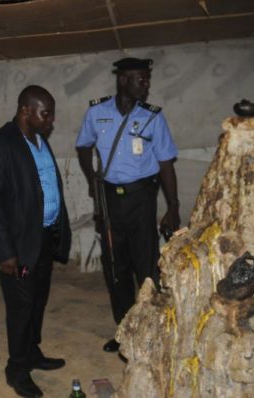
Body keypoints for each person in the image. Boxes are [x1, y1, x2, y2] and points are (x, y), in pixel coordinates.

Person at [75, 57, 181, 355]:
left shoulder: (153, 117)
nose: (146, 85)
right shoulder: (97, 112)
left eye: (147, 79)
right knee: (115, 266)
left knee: (146, 264)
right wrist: (92, 177)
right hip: (109, 199)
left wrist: (172, 205)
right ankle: (124, 330)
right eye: (141, 79)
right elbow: (83, 146)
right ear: (124, 80)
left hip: (141, 199)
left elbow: (165, 164)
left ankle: (153, 329)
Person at [0, 85, 72, 398]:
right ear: (26, 110)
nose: (51, 120)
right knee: (20, 307)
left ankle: (32, 352)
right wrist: (5, 252)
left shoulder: (40, 141)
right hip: (15, 246)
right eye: (46, 113)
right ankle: (16, 369)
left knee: (38, 299)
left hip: (43, 237)